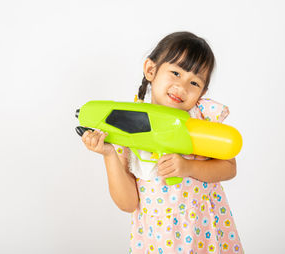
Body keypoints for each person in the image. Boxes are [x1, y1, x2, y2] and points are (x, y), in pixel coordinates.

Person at [80, 31, 243, 254]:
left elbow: (229, 168)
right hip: (158, 238)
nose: (182, 86)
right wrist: (108, 154)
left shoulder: (203, 118)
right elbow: (127, 203)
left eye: (194, 82)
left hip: (203, 231)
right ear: (151, 70)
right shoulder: (126, 124)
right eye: (175, 72)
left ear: (202, 92)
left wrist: (188, 167)